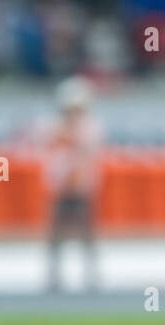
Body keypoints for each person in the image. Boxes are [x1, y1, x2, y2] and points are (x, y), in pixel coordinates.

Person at [46, 76, 103, 291]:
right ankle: (54, 275)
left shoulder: (90, 127)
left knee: (86, 232)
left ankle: (91, 275)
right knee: (56, 233)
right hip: (61, 188)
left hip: (82, 188)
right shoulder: (56, 127)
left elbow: (85, 145)